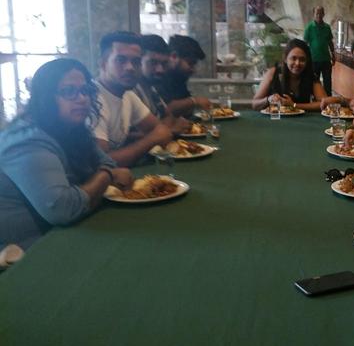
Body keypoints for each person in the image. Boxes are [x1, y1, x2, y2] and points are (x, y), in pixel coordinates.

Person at [0, 58, 132, 251]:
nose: (82, 99)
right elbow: (63, 210)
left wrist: (105, 173)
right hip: (24, 251)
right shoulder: (26, 141)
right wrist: (107, 176)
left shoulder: (70, 127)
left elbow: (108, 162)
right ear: (46, 97)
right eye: (69, 91)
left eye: (85, 90)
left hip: (69, 232)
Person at [94, 31, 172, 167]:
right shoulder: (91, 99)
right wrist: (151, 140)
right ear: (103, 64)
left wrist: (154, 136)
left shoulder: (128, 94)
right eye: (121, 60)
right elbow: (102, 163)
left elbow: (163, 131)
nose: (130, 67)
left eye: (136, 61)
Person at [252, 38, 326, 111]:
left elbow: (324, 103)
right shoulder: (273, 73)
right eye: (293, 58)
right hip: (276, 118)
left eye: (302, 59)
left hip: (302, 118)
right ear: (285, 59)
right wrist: (268, 99)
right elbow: (255, 104)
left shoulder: (311, 76)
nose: (297, 63)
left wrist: (294, 105)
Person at [160, 35, 211, 117]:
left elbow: (185, 110)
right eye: (190, 63)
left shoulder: (179, 77)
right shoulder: (159, 77)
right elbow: (165, 109)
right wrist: (194, 101)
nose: (193, 70)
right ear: (174, 56)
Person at [303, 6, 335, 95]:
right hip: (313, 60)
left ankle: (328, 98)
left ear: (323, 14)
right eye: (317, 13)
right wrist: (305, 58)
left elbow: (330, 42)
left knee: (327, 81)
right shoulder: (309, 27)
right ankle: (315, 98)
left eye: (321, 13)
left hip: (326, 60)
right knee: (314, 81)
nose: (319, 15)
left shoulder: (327, 27)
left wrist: (333, 54)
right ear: (313, 14)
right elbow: (305, 43)